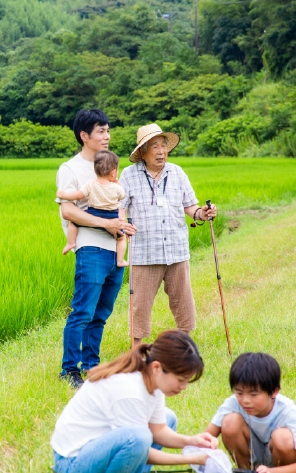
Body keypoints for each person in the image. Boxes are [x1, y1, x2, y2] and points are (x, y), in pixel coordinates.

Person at [50, 330, 216, 473]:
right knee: (138, 436)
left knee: (167, 418)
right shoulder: (129, 390)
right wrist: (193, 459)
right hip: (72, 464)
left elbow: (158, 430)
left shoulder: (151, 377)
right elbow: (139, 445)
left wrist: (191, 441)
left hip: (95, 450)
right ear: (157, 367)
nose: (184, 387)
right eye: (181, 380)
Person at [57, 109, 136, 388]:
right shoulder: (70, 169)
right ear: (84, 136)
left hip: (115, 251)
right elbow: (68, 210)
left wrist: (122, 226)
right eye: (101, 131)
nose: (107, 136)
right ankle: (69, 370)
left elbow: (118, 207)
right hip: (90, 248)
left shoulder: (112, 167)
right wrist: (107, 226)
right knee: (83, 311)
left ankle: (91, 366)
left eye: (108, 130)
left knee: (101, 312)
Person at [118, 124, 217, 348]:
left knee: (183, 300)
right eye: (155, 146)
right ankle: (137, 348)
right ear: (143, 151)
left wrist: (203, 213)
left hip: (176, 249)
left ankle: (185, 343)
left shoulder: (177, 172)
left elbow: (191, 208)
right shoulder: (129, 175)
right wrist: (122, 224)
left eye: (164, 145)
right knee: (140, 304)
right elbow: (120, 207)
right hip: (144, 251)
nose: (161, 151)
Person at [205, 353, 296, 473]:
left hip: (281, 467)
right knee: (229, 422)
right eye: (239, 392)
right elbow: (205, 439)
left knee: (282, 437)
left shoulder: (289, 412)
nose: (245, 400)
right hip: (252, 459)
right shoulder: (233, 403)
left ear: (274, 392)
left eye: (254, 394)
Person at [57, 149, 127, 266]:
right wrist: (118, 184)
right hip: (112, 216)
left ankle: (70, 242)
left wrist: (63, 194)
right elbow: (122, 196)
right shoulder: (116, 187)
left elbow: (78, 195)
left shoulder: (90, 184)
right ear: (113, 172)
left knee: (73, 222)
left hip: (93, 213)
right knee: (121, 237)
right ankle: (120, 260)